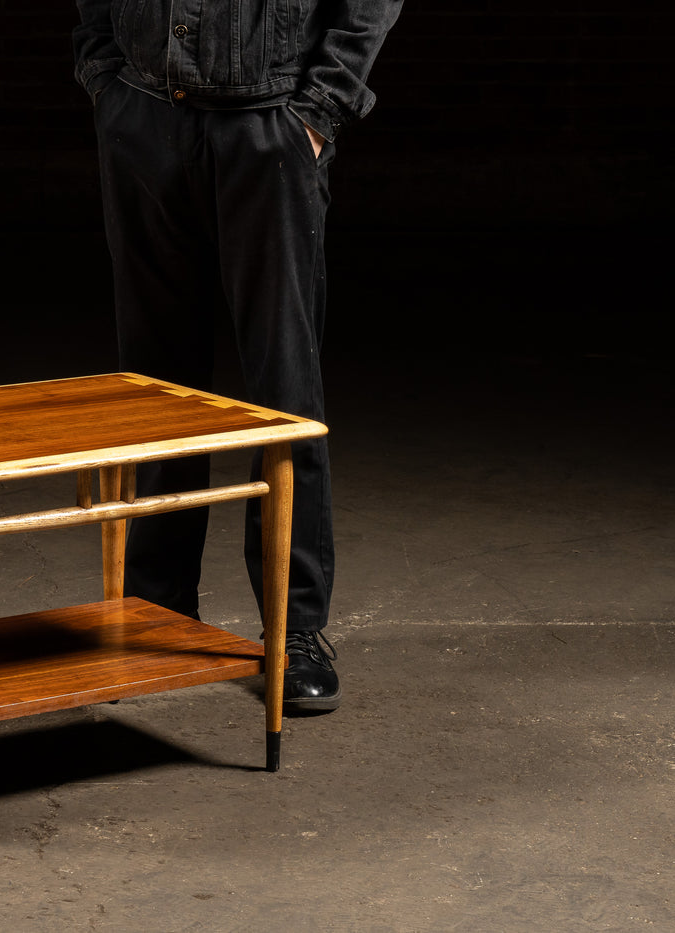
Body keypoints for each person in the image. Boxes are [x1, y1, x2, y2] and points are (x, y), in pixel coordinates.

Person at [73, 1, 402, 711]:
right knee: (156, 386)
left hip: (270, 120)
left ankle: (295, 629)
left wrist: (321, 109)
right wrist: (103, 73)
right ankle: (156, 608)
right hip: (143, 113)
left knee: (284, 392)